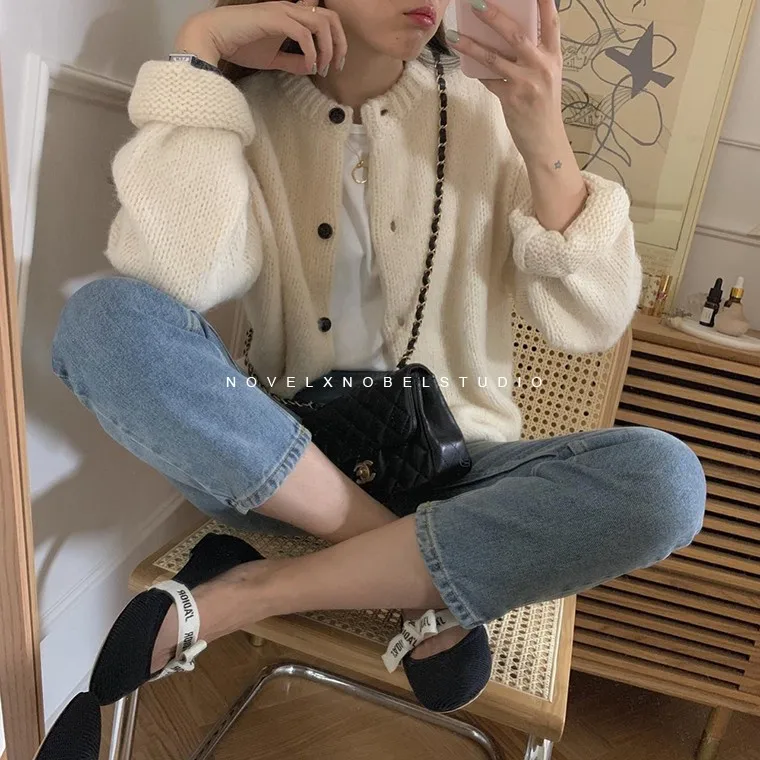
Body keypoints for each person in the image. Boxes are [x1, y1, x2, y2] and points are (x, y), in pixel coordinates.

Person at [41, 0, 706, 754]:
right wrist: (199, 49)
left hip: (460, 473)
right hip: (274, 465)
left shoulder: (483, 112)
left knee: (667, 482)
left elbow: (590, 321)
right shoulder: (250, 113)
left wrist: (544, 134)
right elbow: (176, 273)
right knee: (102, 320)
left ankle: (249, 589)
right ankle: (406, 564)